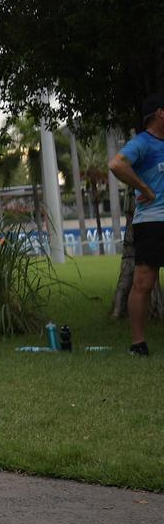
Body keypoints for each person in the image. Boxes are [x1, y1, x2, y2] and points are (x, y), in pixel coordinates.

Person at [108, 91, 164, 357]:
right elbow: (116, 164)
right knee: (144, 281)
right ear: (160, 113)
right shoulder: (142, 143)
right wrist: (145, 188)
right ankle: (138, 343)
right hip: (152, 221)